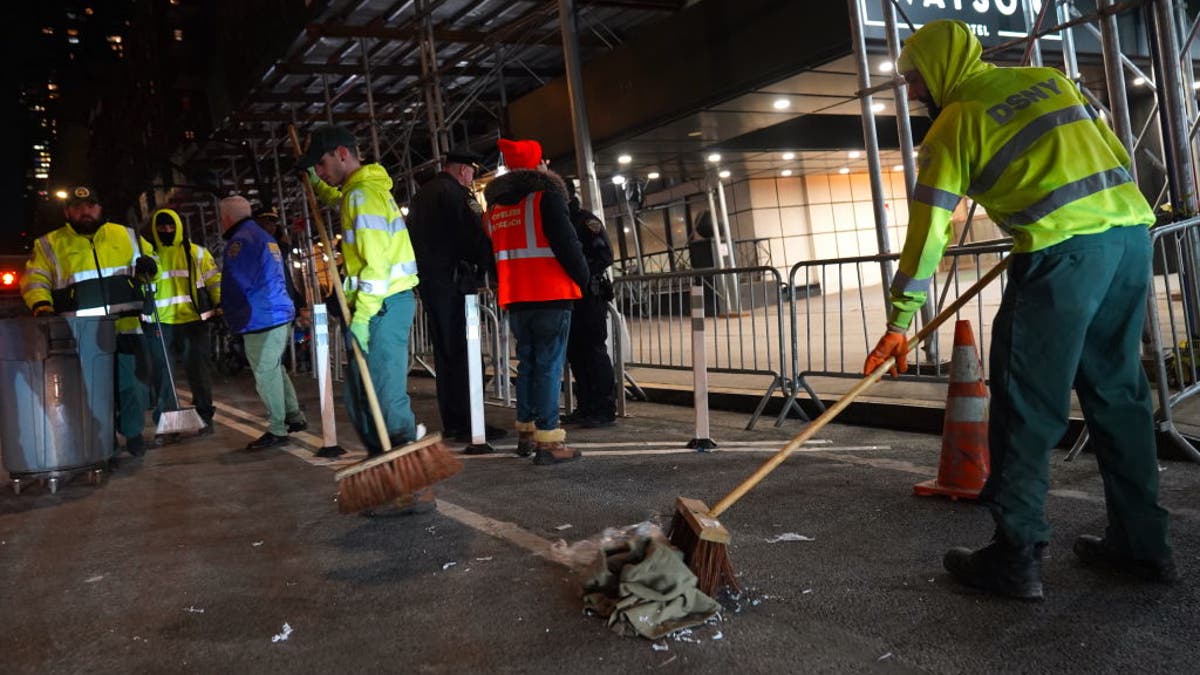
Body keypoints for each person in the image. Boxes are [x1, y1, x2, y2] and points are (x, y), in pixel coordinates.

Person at [864, 19, 1175, 600]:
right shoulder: (1049, 79)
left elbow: (929, 228)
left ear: (937, 69)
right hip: (1129, 238)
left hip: (1062, 257)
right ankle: (1143, 544)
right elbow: (1113, 155)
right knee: (1119, 395)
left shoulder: (955, 122)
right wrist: (1092, 223)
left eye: (912, 80)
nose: (911, 93)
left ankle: (1016, 554)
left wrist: (898, 321)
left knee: (1026, 404)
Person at [298, 125, 422, 459]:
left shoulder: (362, 196)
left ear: (341, 153)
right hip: (379, 304)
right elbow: (338, 198)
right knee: (360, 395)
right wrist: (313, 180)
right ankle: (383, 467)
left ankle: (408, 477)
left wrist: (363, 317)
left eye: (322, 164)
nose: (322, 172)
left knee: (381, 394)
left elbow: (376, 266)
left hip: (381, 305)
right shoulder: (360, 190)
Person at [21, 185, 158, 457]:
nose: (86, 211)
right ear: (68, 211)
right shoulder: (50, 243)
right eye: (79, 206)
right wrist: (42, 306)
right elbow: (35, 279)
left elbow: (151, 265)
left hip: (125, 325)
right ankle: (103, 441)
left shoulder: (125, 235)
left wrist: (150, 268)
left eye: (91, 205)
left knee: (131, 386)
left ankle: (132, 434)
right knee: (96, 392)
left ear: (100, 208)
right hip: (82, 331)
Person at [483, 138, 589, 465]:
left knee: (528, 364)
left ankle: (526, 432)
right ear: (539, 164)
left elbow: (491, 258)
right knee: (548, 366)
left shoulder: (496, 209)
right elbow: (567, 245)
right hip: (550, 294)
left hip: (516, 297)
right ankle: (548, 440)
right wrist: (586, 281)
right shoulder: (546, 199)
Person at [407, 148, 507, 445]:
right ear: (463, 170)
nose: (471, 179)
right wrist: (493, 269)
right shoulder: (456, 194)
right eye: (472, 173)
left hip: (431, 285)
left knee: (446, 355)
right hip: (455, 285)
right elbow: (474, 236)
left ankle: (453, 420)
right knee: (465, 355)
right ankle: (470, 422)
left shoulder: (421, 196)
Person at [219, 195, 307, 450]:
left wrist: (227, 310)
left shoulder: (240, 241)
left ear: (226, 218)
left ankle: (278, 429)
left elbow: (237, 282)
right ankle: (294, 416)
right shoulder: (264, 237)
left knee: (265, 374)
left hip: (259, 316)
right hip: (277, 312)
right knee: (275, 368)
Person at [145, 208, 221, 442]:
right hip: (161, 322)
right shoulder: (149, 255)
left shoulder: (196, 253)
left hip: (193, 321)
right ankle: (168, 425)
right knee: (162, 376)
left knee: (198, 373)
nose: (166, 230)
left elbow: (214, 280)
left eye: (170, 226)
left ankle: (204, 417)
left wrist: (220, 303)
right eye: (162, 227)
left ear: (178, 226)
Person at [562, 179, 617, 428]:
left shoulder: (585, 220)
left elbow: (604, 255)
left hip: (590, 295)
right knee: (576, 354)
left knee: (594, 352)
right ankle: (585, 406)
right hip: (569, 296)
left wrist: (580, 274)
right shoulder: (560, 220)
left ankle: (604, 408)